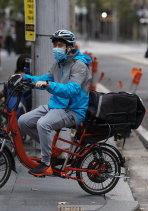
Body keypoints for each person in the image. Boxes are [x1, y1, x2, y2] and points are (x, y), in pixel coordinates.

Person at [17, 29, 91, 176]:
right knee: (23, 121)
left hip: (72, 110)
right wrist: (26, 78)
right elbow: (46, 78)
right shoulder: (59, 63)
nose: (56, 49)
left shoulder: (79, 65)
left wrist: (48, 86)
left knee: (42, 124)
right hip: (56, 106)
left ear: (69, 47)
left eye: (59, 45)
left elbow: (71, 90)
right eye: (54, 45)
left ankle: (46, 164)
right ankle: (53, 150)